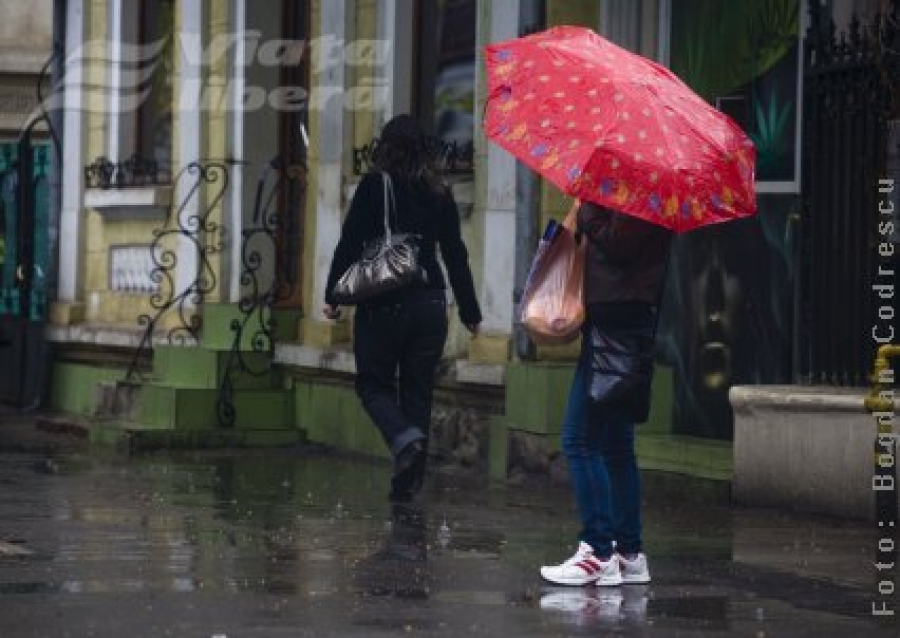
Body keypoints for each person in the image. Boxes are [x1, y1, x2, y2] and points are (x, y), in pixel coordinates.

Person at [323, 115, 482, 503]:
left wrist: (334, 293)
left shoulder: (375, 186)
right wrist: (470, 312)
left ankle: (403, 439)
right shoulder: (439, 191)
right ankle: (407, 483)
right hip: (431, 304)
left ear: (386, 148)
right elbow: (455, 255)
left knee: (373, 385)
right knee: (417, 392)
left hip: (384, 303)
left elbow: (350, 243)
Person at [540, 201, 672, 587]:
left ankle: (598, 551)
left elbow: (621, 241)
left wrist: (586, 212)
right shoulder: (648, 185)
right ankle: (628, 553)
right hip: (621, 319)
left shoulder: (639, 188)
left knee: (579, 438)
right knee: (616, 443)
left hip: (616, 325)